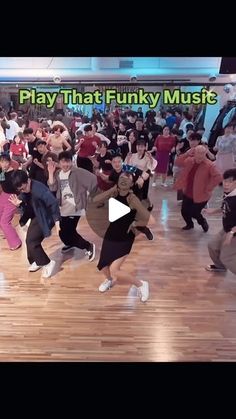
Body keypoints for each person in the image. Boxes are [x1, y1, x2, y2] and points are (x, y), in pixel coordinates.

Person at [93, 172, 155, 302]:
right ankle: (109, 281)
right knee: (103, 265)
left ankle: (141, 284)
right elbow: (96, 200)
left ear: (131, 184)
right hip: (111, 233)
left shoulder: (132, 199)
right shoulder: (114, 193)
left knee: (114, 269)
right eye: (122, 179)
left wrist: (135, 223)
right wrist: (112, 189)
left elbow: (152, 221)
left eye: (127, 180)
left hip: (125, 237)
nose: (124, 181)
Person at [9, 170, 61, 278]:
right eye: (20, 190)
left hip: (46, 217)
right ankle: (36, 261)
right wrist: (19, 204)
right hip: (37, 215)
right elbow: (26, 202)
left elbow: (54, 203)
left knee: (32, 241)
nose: (23, 191)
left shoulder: (39, 189)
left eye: (23, 188)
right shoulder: (25, 189)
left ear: (27, 180)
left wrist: (57, 221)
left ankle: (47, 263)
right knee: (29, 240)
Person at [47, 151, 97, 259]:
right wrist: (50, 172)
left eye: (68, 161)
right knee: (64, 232)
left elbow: (93, 180)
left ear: (71, 161)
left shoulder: (78, 172)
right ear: (59, 163)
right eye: (63, 162)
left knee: (67, 232)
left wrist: (88, 195)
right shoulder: (57, 173)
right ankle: (70, 243)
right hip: (63, 207)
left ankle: (88, 246)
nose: (65, 165)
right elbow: (53, 187)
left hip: (75, 207)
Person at [174, 145, 222, 231]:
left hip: (202, 194)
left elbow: (218, 177)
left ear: (205, 154)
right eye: (198, 153)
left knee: (194, 213)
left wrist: (209, 187)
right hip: (188, 192)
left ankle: (202, 221)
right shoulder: (190, 160)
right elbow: (177, 162)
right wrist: (186, 154)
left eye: (202, 153)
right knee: (184, 211)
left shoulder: (209, 165)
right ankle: (189, 224)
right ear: (194, 153)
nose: (200, 155)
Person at [204, 168, 236, 274]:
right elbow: (226, 207)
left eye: (230, 182)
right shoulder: (229, 193)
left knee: (227, 257)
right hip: (227, 229)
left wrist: (231, 233)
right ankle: (220, 267)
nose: (226, 184)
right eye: (225, 181)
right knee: (212, 245)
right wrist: (214, 211)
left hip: (233, 232)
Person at [0, 153, 22, 250]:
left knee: (4, 222)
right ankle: (7, 232)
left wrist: (18, 199)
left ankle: (16, 243)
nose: (4, 164)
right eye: (1, 162)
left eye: (6, 161)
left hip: (12, 198)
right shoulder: (2, 173)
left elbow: (19, 188)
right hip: (3, 196)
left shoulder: (14, 173)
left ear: (9, 162)